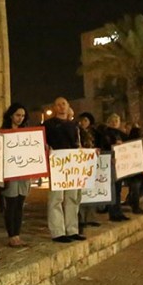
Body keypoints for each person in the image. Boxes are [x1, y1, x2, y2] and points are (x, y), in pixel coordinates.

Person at [43, 96, 84, 243]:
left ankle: (72, 230)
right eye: (58, 105)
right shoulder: (48, 125)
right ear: (54, 108)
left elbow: (78, 144)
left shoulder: (74, 125)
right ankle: (57, 232)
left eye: (63, 104)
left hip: (72, 165)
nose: (61, 107)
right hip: (57, 165)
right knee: (56, 199)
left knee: (72, 198)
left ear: (68, 106)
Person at [0, 103, 31, 247]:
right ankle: (11, 235)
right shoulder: (1, 132)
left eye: (23, 116)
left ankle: (17, 234)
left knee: (20, 204)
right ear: (11, 115)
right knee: (11, 204)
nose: (20, 118)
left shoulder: (27, 133)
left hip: (23, 174)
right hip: (10, 174)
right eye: (18, 115)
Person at [100, 113, 130, 222]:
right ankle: (113, 213)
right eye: (112, 120)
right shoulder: (105, 133)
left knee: (118, 189)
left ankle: (119, 212)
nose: (114, 123)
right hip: (110, 163)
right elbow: (104, 146)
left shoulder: (121, 134)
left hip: (120, 164)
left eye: (116, 121)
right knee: (112, 189)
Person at [76, 112, 101, 232]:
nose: (83, 123)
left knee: (91, 191)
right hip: (80, 165)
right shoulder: (76, 131)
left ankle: (90, 217)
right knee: (81, 192)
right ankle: (80, 218)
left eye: (86, 120)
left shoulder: (94, 133)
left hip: (91, 164)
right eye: (82, 120)